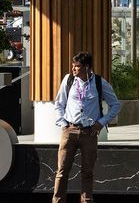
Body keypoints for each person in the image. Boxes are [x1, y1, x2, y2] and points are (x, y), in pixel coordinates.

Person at [51, 50, 120, 203]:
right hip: (69, 130)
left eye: (77, 66)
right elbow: (59, 103)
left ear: (87, 67)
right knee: (62, 170)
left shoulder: (99, 83)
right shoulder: (68, 80)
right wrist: (63, 124)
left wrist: (101, 122)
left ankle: (86, 200)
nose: (73, 69)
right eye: (73, 66)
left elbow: (115, 105)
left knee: (87, 171)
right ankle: (57, 200)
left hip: (89, 132)